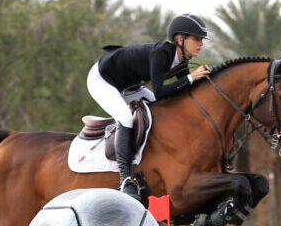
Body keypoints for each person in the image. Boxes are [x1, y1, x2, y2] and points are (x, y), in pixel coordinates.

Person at [87, 13, 212, 201]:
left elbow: (184, 92)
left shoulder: (182, 60)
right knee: (126, 118)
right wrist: (191, 77)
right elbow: (161, 91)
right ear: (180, 39)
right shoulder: (161, 53)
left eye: (201, 40)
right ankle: (125, 179)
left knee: (159, 111)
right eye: (196, 39)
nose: (200, 44)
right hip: (103, 80)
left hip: (130, 86)